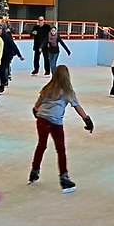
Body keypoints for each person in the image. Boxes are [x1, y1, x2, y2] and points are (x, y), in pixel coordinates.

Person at [29, 65, 94, 193]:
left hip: (41, 119)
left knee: (41, 145)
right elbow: (77, 107)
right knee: (60, 149)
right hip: (55, 122)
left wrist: (39, 116)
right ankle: (64, 178)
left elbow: (36, 107)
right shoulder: (67, 91)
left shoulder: (46, 89)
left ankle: (34, 171)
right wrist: (87, 119)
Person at [0, 24, 24, 93]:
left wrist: (19, 55)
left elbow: (13, 45)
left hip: (7, 55)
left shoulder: (6, 36)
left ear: (0, 29)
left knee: (3, 69)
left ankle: (3, 84)